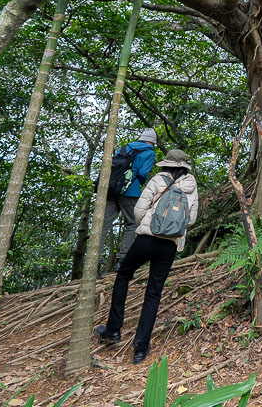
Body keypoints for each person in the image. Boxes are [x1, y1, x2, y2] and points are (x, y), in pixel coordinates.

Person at [95, 148, 199, 363]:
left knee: (123, 275)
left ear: (167, 164)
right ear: (183, 166)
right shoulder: (191, 186)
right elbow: (191, 219)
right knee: (154, 293)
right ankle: (140, 348)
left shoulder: (158, 179)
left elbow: (139, 209)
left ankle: (113, 329)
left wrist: (148, 224)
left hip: (146, 239)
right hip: (169, 246)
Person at [101, 128, 158, 270]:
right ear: (151, 142)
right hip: (130, 193)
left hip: (112, 190)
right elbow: (143, 174)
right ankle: (121, 260)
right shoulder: (149, 152)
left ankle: (96, 264)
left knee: (103, 225)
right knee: (132, 224)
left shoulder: (126, 147)